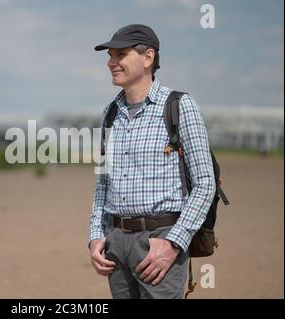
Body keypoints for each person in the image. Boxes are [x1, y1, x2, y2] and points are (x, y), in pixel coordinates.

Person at [88, 24, 216, 299]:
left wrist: (173, 243)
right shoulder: (109, 113)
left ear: (148, 58)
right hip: (115, 243)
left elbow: (206, 183)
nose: (111, 63)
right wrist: (95, 235)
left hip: (160, 238)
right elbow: (103, 183)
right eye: (110, 56)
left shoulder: (180, 106)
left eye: (120, 54)